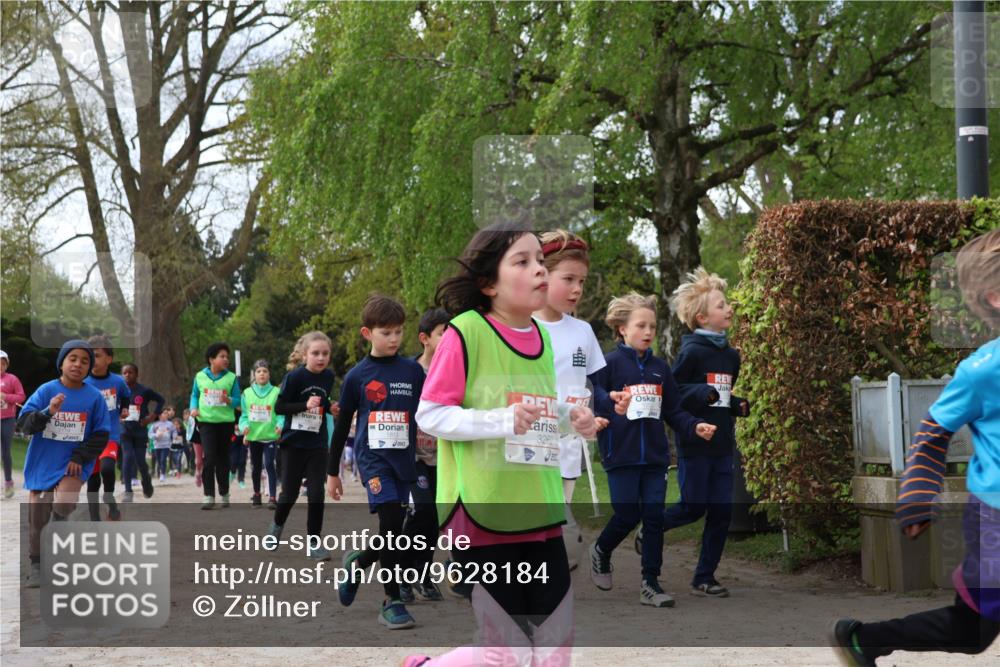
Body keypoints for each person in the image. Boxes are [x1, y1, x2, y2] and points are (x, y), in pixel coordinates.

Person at [402, 222, 597, 666]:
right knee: (503, 653)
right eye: (523, 261)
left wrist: (572, 419)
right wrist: (500, 421)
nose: (539, 271)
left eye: (541, 262)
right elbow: (430, 413)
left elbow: (535, 411)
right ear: (488, 283)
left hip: (540, 507)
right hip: (483, 512)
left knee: (554, 644)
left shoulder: (542, 339)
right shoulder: (464, 332)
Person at [831, 229, 1000, 665]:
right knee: (972, 631)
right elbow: (931, 432)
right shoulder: (981, 371)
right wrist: (916, 494)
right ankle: (864, 640)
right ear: (996, 296)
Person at [588, 293, 716, 608]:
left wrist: (694, 425)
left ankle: (651, 582)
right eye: (641, 325)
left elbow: (674, 409)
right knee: (627, 513)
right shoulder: (608, 362)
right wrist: (606, 405)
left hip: (655, 457)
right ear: (622, 329)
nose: (648, 332)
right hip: (621, 454)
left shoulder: (660, 368)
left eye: (653, 327)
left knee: (654, 517)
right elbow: (592, 393)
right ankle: (602, 549)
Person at [633, 268, 751, 598]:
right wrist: (704, 394)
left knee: (721, 513)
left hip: (723, 444)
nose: (729, 309)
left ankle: (704, 577)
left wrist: (736, 404)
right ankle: (651, 526)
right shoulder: (692, 352)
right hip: (695, 443)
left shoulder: (731, 356)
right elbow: (676, 391)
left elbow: (722, 396)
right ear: (701, 317)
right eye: (721, 305)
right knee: (692, 507)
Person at [328, 294, 425, 629]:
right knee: (391, 524)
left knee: (395, 530)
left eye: (399, 331)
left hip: (404, 461)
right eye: (387, 332)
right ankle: (391, 599)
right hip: (374, 460)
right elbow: (342, 426)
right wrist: (332, 473)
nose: (395, 338)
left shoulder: (413, 371)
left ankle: (359, 561)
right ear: (367, 333)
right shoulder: (358, 376)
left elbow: (431, 410)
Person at [532, 230, 608, 570]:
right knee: (546, 526)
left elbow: (598, 387)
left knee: (554, 524)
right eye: (568, 279)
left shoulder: (583, 332)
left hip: (570, 446)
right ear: (541, 275)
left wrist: (609, 404)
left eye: (582, 280)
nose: (577, 288)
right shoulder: (519, 328)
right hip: (527, 443)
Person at [18, 340, 111, 587]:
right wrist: (48, 411)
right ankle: (37, 566)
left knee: (64, 502)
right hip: (42, 463)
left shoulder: (94, 398)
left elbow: (101, 434)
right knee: (37, 519)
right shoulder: (46, 391)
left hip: (74, 464)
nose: (78, 364)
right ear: (61, 363)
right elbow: (24, 425)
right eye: (73, 359)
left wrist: (79, 456)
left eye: (85, 361)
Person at [264, 331, 336, 559]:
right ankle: (276, 527)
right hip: (293, 445)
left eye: (325, 353)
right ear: (305, 355)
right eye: (315, 353)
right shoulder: (295, 378)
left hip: (317, 444)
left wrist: (330, 406)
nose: (321, 358)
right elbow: (280, 407)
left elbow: (322, 402)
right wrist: (304, 404)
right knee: (290, 494)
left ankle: (315, 542)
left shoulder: (329, 377)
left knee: (316, 493)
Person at [399, 307, 451, 604]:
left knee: (436, 518)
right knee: (423, 511)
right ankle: (402, 575)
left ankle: (422, 572)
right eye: (443, 333)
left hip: (444, 457)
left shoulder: (455, 372)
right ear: (425, 338)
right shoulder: (408, 372)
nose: (449, 339)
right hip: (415, 455)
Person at [83, 334, 131, 521]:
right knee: (93, 481)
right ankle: (95, 520)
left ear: (109, 359)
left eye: (98, 355)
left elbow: (126, 395)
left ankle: (109, 496)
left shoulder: (118, 381)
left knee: (108, 469)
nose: (93, 359)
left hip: (110, 434)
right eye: (90, 355)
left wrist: (125, 408)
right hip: (88, 438)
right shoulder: (84, 381)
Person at [189, 342, 241, 510]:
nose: (226, 359)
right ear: (212, 359)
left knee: (223, 459)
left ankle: (224, 493)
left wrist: (229, 401)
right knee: (209, 458)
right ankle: (208, 495)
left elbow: (238, 401)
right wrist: (193, 408)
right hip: (206, 423)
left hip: (225, 423)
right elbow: (195, 395)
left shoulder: (231, 378)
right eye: (222, 356)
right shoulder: (200, 376)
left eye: (227, 357)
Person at [239, 359, 283, 507]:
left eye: (265, 371)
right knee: (255, 467)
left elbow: (281, 414)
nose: (262, 374)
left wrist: (280, 425)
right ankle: (257, 494)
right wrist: (243, 426)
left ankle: (272, 497)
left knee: (270, 464)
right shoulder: (247, 393)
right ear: (254, 375)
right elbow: (244, 415)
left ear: (269, 374)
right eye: (259, 371)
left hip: (270, 436)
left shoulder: (276, 392)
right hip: (254, 436)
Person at [120, 363, 164, 502]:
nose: (127, 375)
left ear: (136, 374)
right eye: (125, 373)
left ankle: (146, 480)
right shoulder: (119, 391)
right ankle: (128, 491)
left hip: (140, 430)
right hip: (124, 430)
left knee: (140, 462)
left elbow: (161, 400)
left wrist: (152, 416)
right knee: (127, 458)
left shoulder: (144, 391)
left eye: (130, 372)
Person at [1, 349, 27, 498]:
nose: (0, 366)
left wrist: (6, 396)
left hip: (7, 419)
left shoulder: (12, 379)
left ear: (6, 365)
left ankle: (9, 483)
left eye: (3, 364)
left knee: (5, 452)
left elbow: (21, 396)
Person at [150, 408, 177, 482]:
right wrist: (156, 435)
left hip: (166, 445)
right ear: (159, 415)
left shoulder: (170, 424)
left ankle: (163, 474)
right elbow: (150, 434)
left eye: (166, 413)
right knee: (159, 460)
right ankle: (160, 473)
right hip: (157, 445)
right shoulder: (155, 424)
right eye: (163, 413)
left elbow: (174, 431)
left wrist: (174, 436)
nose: (164, 414)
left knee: (163, 459)